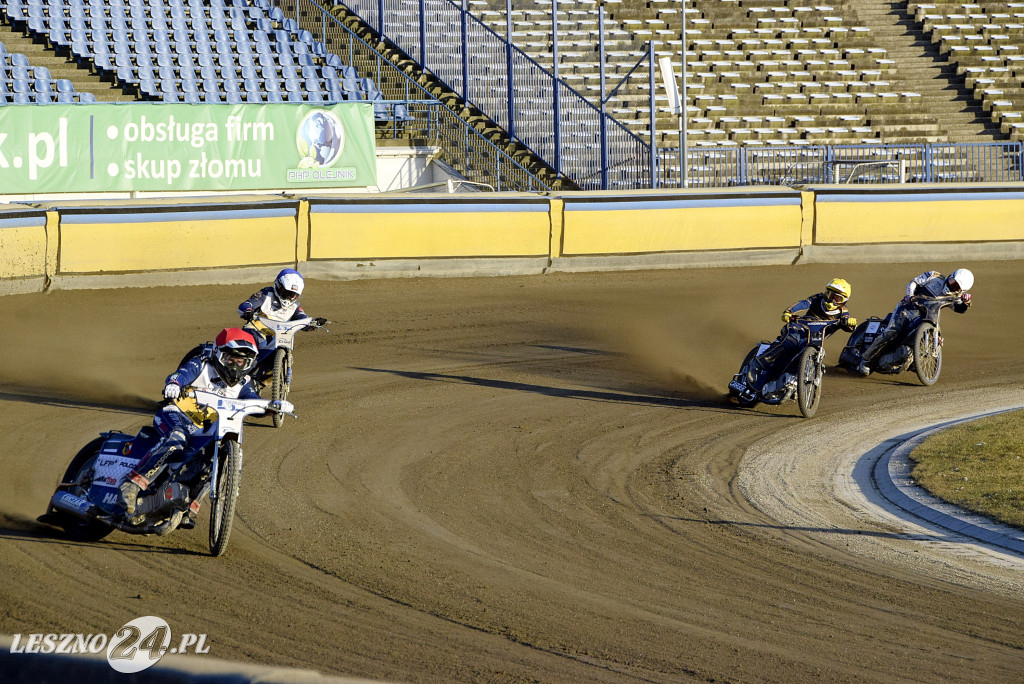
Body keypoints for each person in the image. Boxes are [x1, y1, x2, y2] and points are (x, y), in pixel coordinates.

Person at [118, 328, 291, 522]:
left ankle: (185, 507)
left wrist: (269, 408)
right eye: (230, 359)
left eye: (240, 361)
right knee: (177, 440)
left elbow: (252, 399)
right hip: (176, 415)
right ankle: (132, 484)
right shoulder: (201, 364)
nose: (234, 365)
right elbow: (179, 375)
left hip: (203, 428)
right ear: (218, 354)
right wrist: (174, 384)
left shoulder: (245, 382)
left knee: (211, 462)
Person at [854, 268, 974, 376]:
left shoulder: (956, 297)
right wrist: (910, 295)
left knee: (926, 339)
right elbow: (914, 282)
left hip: (926, 317)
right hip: (908, 308)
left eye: (956, 287)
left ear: (961, 290)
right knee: (892, 332)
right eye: (953, 282)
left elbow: (958, 309)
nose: (952, 286)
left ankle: (914, 362)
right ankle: (865, 359)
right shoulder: (934, 276)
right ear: (951, 275)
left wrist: (966, 303)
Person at [746, 278, 858, 389]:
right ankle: (759, 362)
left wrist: (851, 324)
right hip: (799, 328)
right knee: (790, 342)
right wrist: (789, 312)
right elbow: (804, 303)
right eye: (830, 294)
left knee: (807, 357)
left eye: (837, 298)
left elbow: (849, 326)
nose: (832, 300)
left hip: (813, 339)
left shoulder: (844, 312)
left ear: (844, 300)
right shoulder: (818, 298)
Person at [238, 268, 326, 353]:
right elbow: (247, 304)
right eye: (288, 293)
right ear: (279, 286)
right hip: (256, 331)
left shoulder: (295, 306)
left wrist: (313, 323)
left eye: (295, 295)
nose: (290, 297)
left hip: (279, 337)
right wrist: (248, 310)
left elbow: (303, 320)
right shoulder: (266, 293)